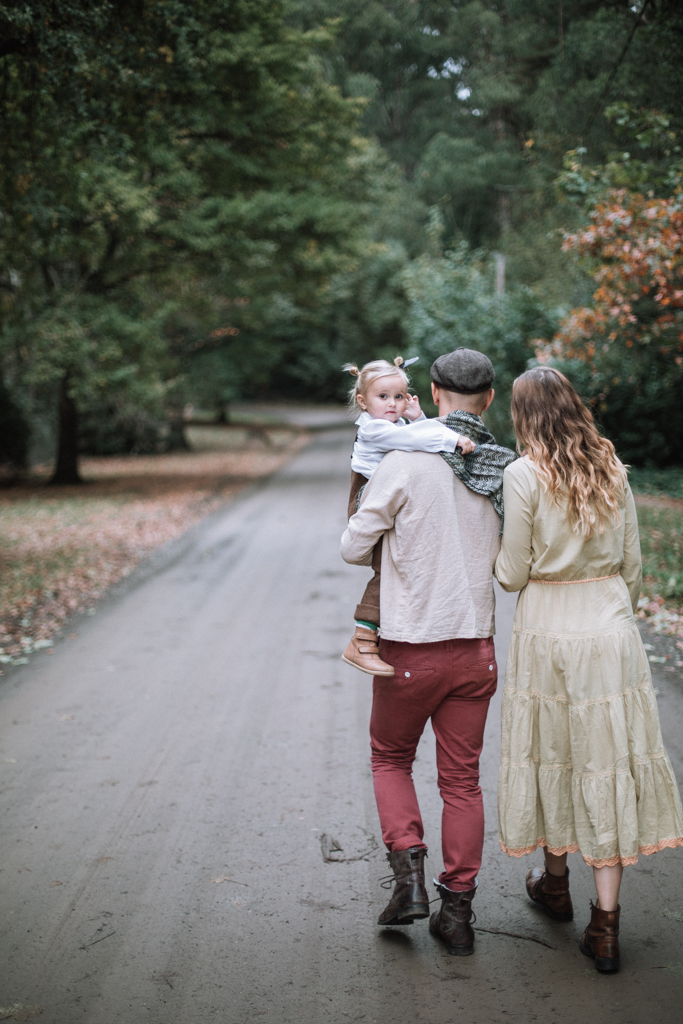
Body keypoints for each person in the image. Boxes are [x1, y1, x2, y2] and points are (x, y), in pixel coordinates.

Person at [495, 366, 683, 974]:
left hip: (548, 626)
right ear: (574, 407)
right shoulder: (612, 469)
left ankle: (554, 885)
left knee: (554, 750)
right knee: (603, 760)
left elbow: (511, 574)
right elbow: (631, 563)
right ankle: (605, 925)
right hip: (610, 626)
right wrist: (611, 610)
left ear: (523, 417)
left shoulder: (522, 475)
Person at [341, 348, 516, 956]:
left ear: (433, 394)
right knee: (462, 782)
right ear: (490, 398)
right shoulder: (502, 469)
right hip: (476, 651)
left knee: (390, 757)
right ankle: (458, 912)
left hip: (409, 648)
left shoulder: (403, 463)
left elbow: (350, 545)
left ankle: (409, 882)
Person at [341, 356, 475, 678]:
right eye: (383, 397)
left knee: (397, 563)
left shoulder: (396, 424)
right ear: (363, 402)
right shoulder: (374, 429)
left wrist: (419, 418)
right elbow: (415, 442)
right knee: (385, 569)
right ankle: (361, 639)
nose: (393, 404)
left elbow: (415, 435)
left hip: (388, 498)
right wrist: (452, 438)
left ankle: (381, 633)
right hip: (366, 498)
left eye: (399, 397)